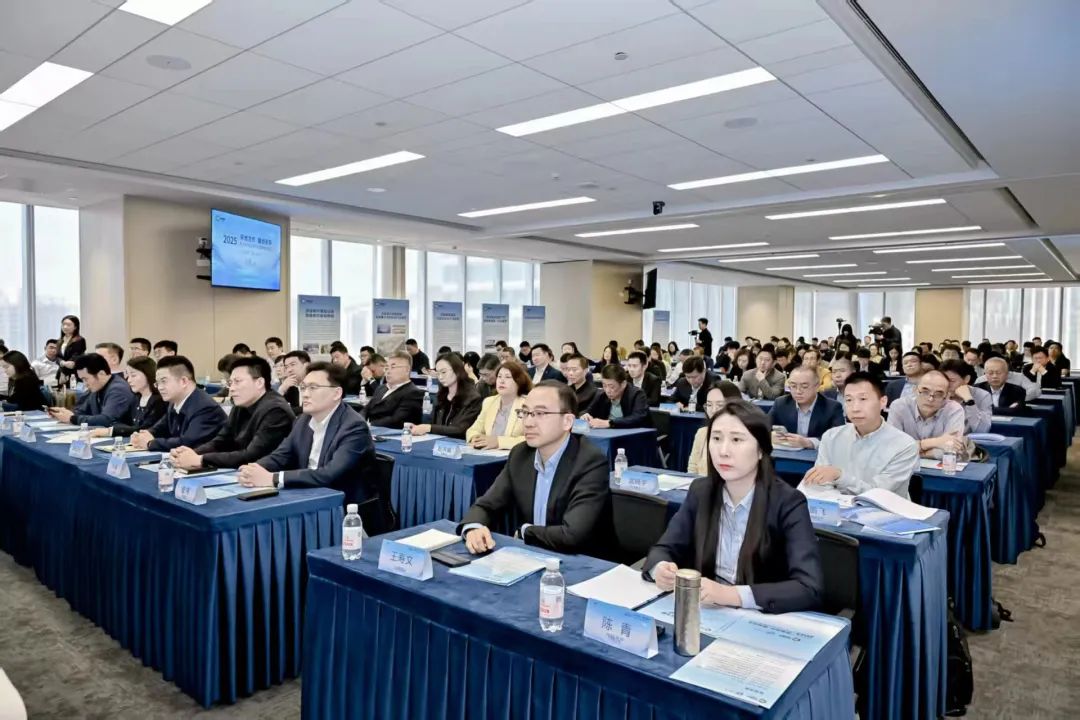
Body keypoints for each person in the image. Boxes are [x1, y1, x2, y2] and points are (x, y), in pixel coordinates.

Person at [644, 401, 823, 614]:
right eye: (716, 439)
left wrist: (731, 595)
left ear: (761, 450)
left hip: (760, 618)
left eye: (737, 440)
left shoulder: (789, 502)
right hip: (705, 612)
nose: (723, 451)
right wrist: (660, 569)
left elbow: (809, 587)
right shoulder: (701, 491)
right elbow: (663, 549)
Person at [457, 381, 612, 555]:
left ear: (567, 421)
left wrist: (525, 531)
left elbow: (572, 535)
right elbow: (487, 504)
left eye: (540, 413)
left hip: (581, 561)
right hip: (532, 555)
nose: (528, 422)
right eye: (525, 413)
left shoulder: (590, 461)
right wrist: (474, 528)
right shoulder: (521, 454)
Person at [239, 362, 377, 507]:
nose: (305, 394)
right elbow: (281, 455)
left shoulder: (354, 426)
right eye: (303, 387)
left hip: (343, 505)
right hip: (307, 494)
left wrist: (273, 478)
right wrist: (254, 469)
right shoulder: (303, 420)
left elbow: (329, 474)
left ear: (336, 393)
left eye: (313, 388)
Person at [803, 372, 920, 499]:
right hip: (836, 507)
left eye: (863, 399)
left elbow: (878, 494)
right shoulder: (831, 437)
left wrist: (839, 476)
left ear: (883, 402)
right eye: (849, 400)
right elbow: (820, 482)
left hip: (883, 509)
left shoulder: (904, 445)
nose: (855, 408)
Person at [170, 356, 295, 471]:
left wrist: (201, 460)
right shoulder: (241, 405)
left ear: (259, 383)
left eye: (237, 381)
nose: (232, 388)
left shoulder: (276, 411)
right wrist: (191, 454)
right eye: (230, 383)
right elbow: (221, 442)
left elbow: (251, 456)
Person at [131, 356, 227, 452]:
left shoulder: (205, 407)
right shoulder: (174, 402)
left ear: (183, 381)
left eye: (164, 381)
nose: (160, 387)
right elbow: (160, 428)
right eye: (157, 383)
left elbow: (188, 443)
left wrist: (150, 443)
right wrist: (144, 435)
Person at [886, 370, 970, 460]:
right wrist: (935, 442)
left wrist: (914, 452)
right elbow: (892, 447)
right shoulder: (899, 406)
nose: (930, 399)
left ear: (947, 396)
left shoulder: (954, 410)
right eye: (925, 392)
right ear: (915, 390)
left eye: (938, 394)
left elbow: (952, 450)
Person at [89, 356, 166, 438]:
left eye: (133, 375)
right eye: (128, 376)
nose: (129, 380)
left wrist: (110, 431)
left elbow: (144, 429)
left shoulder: (159, 401)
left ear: (148, 374)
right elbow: (121, 421)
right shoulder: (135, 399)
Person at [768, 366, 844, 448]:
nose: (798, 391)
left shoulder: (832, 407)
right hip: (786, 453)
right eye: (793, 386)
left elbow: (838, 438)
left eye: (804, 387)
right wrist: (770, 435)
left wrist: (809, 443)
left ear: (817, 386)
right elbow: (763, 428)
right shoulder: (781, 403)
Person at [409, 353, 483, 439]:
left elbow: (461, 430)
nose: (440, 377)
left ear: (457, 370)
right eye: (438, 373)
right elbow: (434, 423)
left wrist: (428, 428)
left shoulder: (473, 398)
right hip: (438, 442)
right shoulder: (441, 396)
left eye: (444, 372)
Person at [48, 353, 133, 427]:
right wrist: (65, 413)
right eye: (82, 380)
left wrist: (72, 418)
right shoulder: (97, 387)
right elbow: (82, 411)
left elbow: (106, 419)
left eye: (86, 379)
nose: (85, 384)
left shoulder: (118, 389)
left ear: (101, 374)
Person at [466, 362, 531, 450]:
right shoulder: (489, 402)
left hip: (514, 454)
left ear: (519, 381)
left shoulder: (528, 404)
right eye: (499, 377)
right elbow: (473, 430)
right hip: (488, 453)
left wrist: (499, 442)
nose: (501, 381)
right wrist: (475, 439)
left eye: (507, 377)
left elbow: (531, 438)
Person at [687, 380, 742, 475]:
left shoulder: (743, 437)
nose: (713, 410)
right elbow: (692, 468)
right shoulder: (702, 433)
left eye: (720, 405)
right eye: (709, 405)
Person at [362, 350, 424, 429]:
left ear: (407, 370)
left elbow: (396, 420)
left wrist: (369, 425)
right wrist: (359, 422)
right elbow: (366, 409)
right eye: (387, 367)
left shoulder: (413, 393)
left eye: (393, 367)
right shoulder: (381, 388)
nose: (388, 371)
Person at [582, 364, 651, 429]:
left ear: (623, 384)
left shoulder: (637, 394)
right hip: (608, 434)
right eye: (604, 385)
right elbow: (589, 410)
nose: (607, 390)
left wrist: (609, 423)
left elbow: (637, 418)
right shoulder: (602, 395)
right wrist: (585, 415)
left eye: (611, 386)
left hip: (635, 434)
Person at [941, 359, 992, 434]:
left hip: (969, 440)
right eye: (944, 380)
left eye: (952, 381)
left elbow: (982, 430)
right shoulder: (936, 395)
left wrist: (969, 401)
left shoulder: (982, 395)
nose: (947, 385)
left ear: (966, 379)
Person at [56, 314, 86, 382]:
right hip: (61, 373)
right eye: (63, 324)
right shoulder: (59, 341)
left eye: (68, 325)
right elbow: (57, 357)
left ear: (75, 327)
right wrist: (62, 363)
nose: (65, 327)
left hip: (74, 373)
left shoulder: (80, 340)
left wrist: (64, 369)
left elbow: (75, 356)